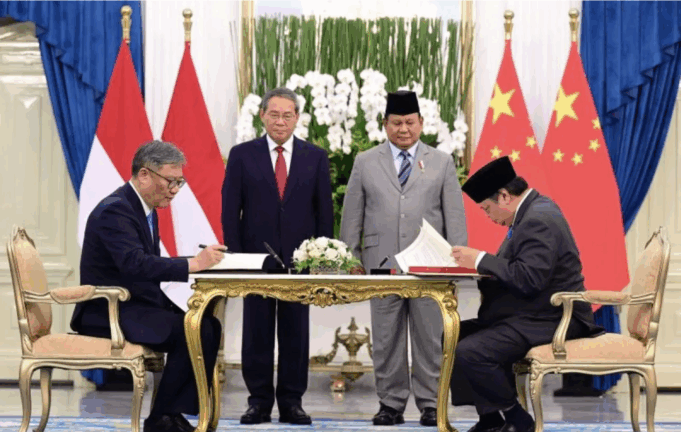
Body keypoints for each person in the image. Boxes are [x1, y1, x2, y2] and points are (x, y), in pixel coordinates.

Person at [71, 140, 226, 432]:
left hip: (135, 305)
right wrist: (193, 264)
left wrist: (197, 263)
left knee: (208, 325)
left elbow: (146, 265)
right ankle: (162, 419)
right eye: (171, 181)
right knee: (193, 329)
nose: (175, 189)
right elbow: (135, 264)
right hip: (107, 311)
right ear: (144, 174)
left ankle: (170, 414)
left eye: (179, 182)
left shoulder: (143, 208)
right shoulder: (115, 210)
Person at [449, 156, 605, 432]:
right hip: (534, 312)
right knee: (454, 335)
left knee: (471, 351)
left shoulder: (538, 219)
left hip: (556, 317)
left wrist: (480, 259)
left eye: (487, 209)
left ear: (504, 196)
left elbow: (529, 279)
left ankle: (517, 419)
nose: (488, 217)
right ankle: (490, 420)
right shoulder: (530, 213)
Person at [340, 90, 467, 427]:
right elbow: (352, 215)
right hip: (381, 263)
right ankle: (390, 404)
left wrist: (456, 261)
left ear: (421, 123)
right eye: (396, 123)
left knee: (430, 337)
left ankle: (431, 404)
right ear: (385, 124)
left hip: (430, 265)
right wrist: (351, 258)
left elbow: (454, 217)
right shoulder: (365, 161)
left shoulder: (441, 162)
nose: (404, 129)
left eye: (410, 122)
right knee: (386, 337)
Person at [221, 87, 334, 425]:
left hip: (301, 262)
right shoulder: (242, 155)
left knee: (295, 333)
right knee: (256, 332)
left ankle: (291, 403)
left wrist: (321, 258)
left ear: (297, 118)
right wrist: (238, 259)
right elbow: (230, 212)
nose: (280, 121)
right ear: (262, 116)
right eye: (274, 114)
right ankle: (258, 402)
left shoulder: (315, 156)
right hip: (256, 261)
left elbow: (324, 212)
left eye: (287, 115)